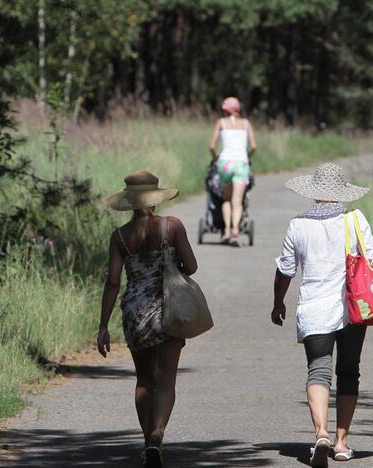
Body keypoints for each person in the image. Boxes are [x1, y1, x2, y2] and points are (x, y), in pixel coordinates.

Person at [271, 162, 373, 467]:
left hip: (314, 309)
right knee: (349, 372)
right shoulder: (354, 219)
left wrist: (278, 302)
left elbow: (285, 271)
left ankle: (321, 434)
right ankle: (341, 443)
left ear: (314, 193)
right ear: (342, 194)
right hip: (352, 309)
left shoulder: (297, 225)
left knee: (318, 371)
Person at [98, 170, 198, 468]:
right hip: (169, 309)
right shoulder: (173, 227)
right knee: (166, 377)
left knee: (143, 379)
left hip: (135, 312)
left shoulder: (119, 237)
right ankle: (157, 437)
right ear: (155, 198)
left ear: (129, 202)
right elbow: (191, 266)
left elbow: (113, 282)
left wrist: (103, 326)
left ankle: (146, 441)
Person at [208, 96, 257, 247]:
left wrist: (215, 158)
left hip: (225, 164)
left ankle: (227, 231)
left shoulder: (221, 123)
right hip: (241, 164)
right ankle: (236, 232)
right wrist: (247, 157)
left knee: (226, 200)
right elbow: (254, 146)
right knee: (238, 201)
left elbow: (212, 146)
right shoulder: (246, 123)